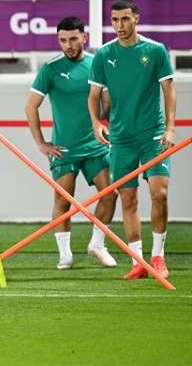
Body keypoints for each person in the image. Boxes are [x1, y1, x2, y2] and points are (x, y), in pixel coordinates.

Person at [88, 0, 176, 280]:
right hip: (121, 139)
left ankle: (158, 257)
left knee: (160, 194)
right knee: (128, 199)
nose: (119, 25)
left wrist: (170, 128)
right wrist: (96, 123)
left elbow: (169, 90)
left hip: (153, 135)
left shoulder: (155, 50)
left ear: (136, 18)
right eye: (114, 20)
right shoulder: (104, 55)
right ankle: (137, 261)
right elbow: (93, 96)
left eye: (125, 19)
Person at [25, 17, 118, 270]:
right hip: (63, 149)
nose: (68, 45)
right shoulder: (50, 69)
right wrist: (41, 144)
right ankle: (65, 254)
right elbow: (31, 107)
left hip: (95, 145)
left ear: (84, 37)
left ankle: (97, 244)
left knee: (110, 194)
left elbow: (108, 104)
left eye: (73, 39)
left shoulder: (97, 65)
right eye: (63, 40)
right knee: (63, 200)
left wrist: (107, 124)